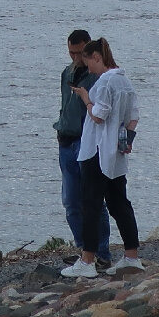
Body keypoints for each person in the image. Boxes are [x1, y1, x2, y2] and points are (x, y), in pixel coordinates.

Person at [62, 37, 142, 278]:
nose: (89, 69)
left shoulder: (105, 83)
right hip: (115, 153)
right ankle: (131, 256)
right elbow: (134, 115)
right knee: (119, 203)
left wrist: (86, 98)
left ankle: (87, 261)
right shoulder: (125, 81)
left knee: (91, 204)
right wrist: (127, 139)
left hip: (96, 150)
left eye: (89, 64)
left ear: (98, 58)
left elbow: (99, 115)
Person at [56, 30, 111, 267]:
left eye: (79, 52)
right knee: (71, 201)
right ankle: (83, 249)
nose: (75, 57)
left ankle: (101, 253)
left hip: (87, 142)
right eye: (71, 52)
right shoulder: (66, 73)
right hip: (66, 140)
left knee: (94, 201)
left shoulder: (98, 77)